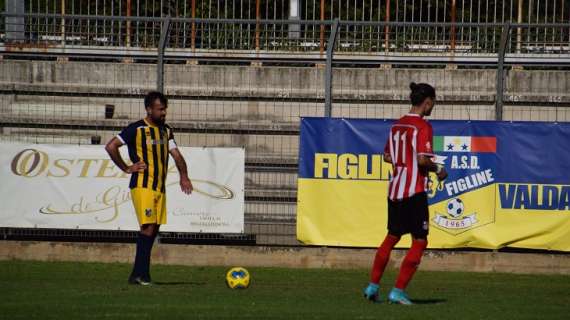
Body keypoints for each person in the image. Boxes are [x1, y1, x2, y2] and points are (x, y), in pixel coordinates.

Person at [363, 82, 447, 304]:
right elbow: (421, 159)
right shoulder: (423, 127)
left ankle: (372, 286)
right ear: (427, 102)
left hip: (395, 190)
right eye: (433, 103)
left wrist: (404, 160)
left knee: (391, 237)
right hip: (414, 190)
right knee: (420, 241)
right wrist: (438, 168)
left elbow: (387, 156)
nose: (432, 107)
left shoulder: (397, 126)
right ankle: (398, 291)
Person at [105, 91, 193, 285]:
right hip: (143, 186)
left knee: (154, 230)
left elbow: (176, 155)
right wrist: (127, 167)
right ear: (149, 109)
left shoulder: (166, 130)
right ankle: (140, 275)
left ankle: (140, 274)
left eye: (165, 109)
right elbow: (111, 146)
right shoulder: (135, 129)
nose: (164, 113)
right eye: (160, 109)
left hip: (159, 188)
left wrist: (184, 176)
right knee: (148, 228)